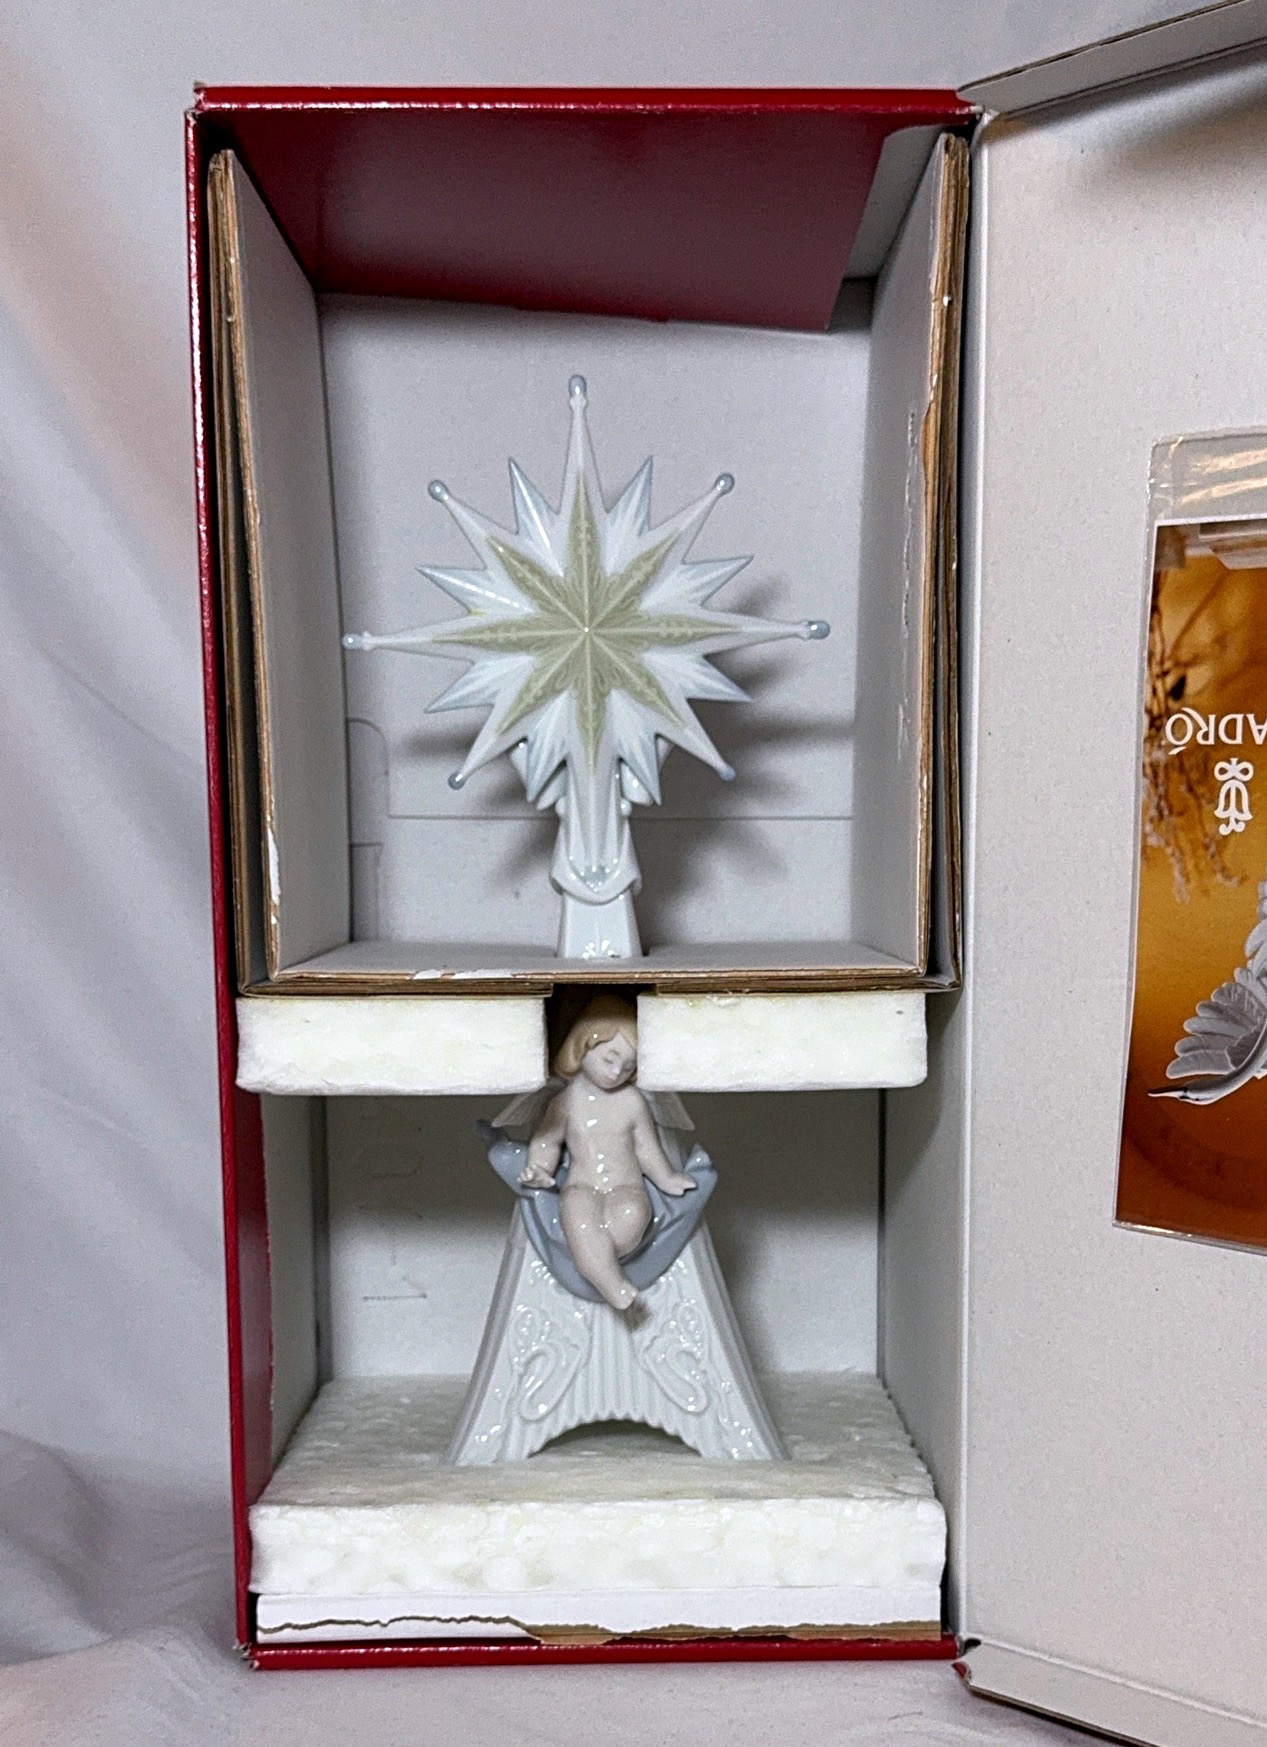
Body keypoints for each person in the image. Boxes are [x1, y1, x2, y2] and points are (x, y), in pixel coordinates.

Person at [518, 997, 697, 1309]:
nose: (616, 1073)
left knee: (630, 1216)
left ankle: (596, 1263)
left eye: (627, 1066)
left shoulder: (633, 1102)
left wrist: (666, 1178)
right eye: (608, 1060)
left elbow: (646, 1148)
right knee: (578, 1215)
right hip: (582, 1184)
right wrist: (540, 1169)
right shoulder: (567, 1101)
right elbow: (548, 1140)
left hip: (626, 1186)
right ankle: (613, 1284)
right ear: (581, 1048)